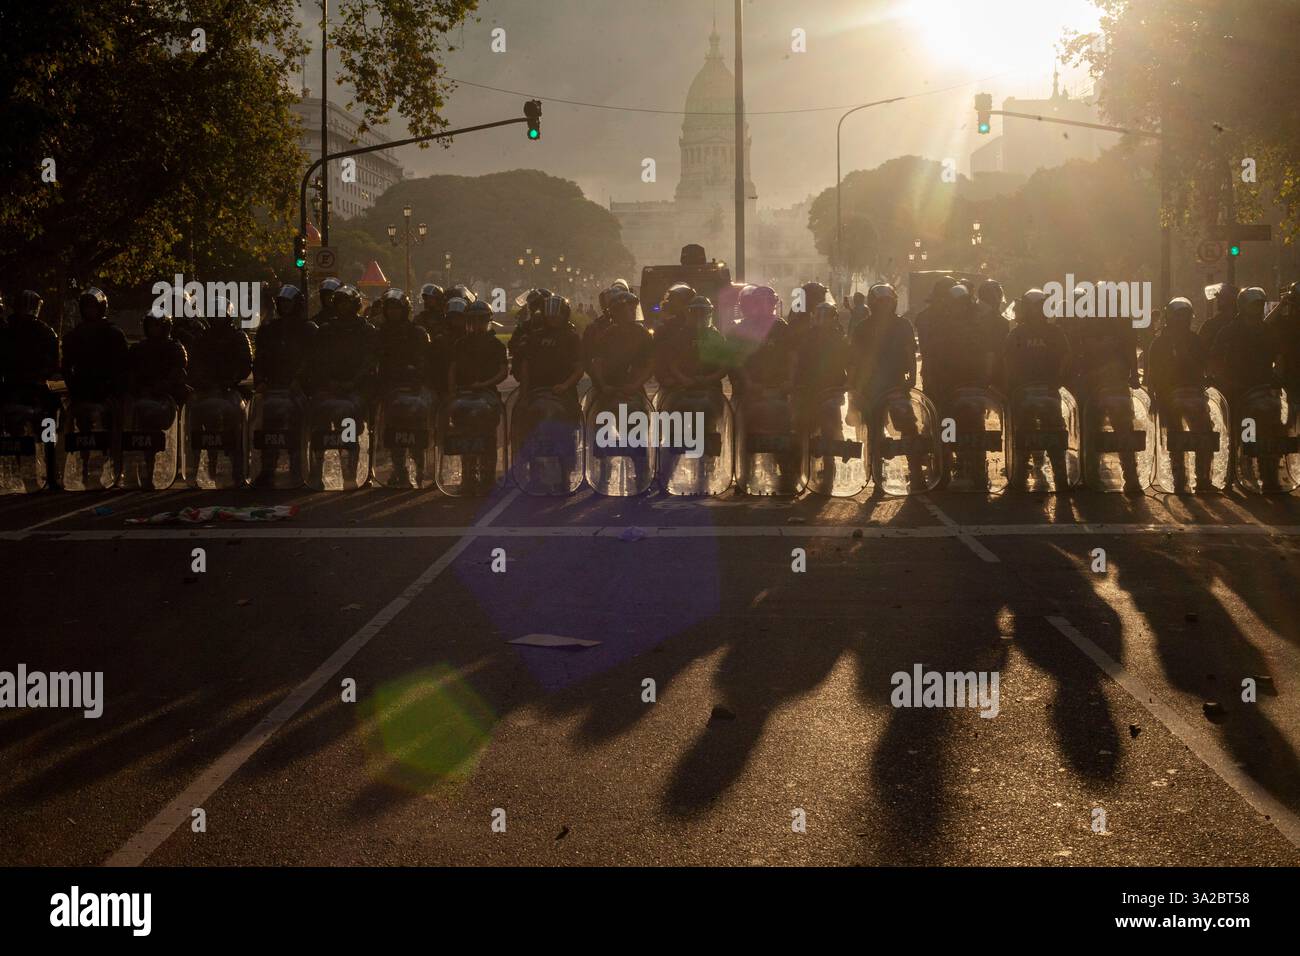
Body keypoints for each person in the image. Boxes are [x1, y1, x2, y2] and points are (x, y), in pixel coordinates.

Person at [849, 283, 927, 491]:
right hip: (871, 387)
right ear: (873, 304)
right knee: (874, 429)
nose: (884, 306)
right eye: (881, 302)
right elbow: (855, 361)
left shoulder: (903, 325)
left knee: (909, 427)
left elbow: (909, 351)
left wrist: (910, 377)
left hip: (895, 384)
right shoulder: (862, 327)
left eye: (887, 302)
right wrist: (854, 389)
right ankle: (876, 471)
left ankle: (916, 471)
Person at [1066, 292, 1142, 492]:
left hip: (1105, 383)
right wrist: (1133, 375)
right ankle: (1124, 479)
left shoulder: (1092, 320)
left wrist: (1133, 375)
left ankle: (1095, 476)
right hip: (1099, 384)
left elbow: (1129, 350)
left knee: (1102, 430)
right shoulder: (1098, 321)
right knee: (1112, 430)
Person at [304, 284, 377, 487]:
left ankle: (350, 475)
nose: (344, 307)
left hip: (356, 389)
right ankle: (316, 473)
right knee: (319, 420)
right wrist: (330, 382)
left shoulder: (366, 331)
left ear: (355, 305)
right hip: (329, 388)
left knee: (349, 425)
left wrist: (352, 383)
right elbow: (317, 362)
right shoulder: (326, 330)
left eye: (348, 303)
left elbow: (370, 362)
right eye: (340, 303)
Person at [1215, 286, 1286, 490]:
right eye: (1255, 305)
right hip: (1237, 390)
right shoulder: (1229, 331)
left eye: (1260, 305)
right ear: (1244, 306)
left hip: (1263, 389)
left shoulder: (1266, 330)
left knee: (1271, 430)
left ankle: (1270, 476)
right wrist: (1224, 382)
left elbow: (1278, 355)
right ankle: (1232, 475)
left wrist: (1277, 377)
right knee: (1241, 434)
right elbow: (1217, 359)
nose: (1258, 308)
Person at [1002, 289, 1072, 492]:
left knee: (1025, 433)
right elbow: (1066, 357)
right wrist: (1057, 380)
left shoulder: (1018, 333)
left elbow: (1007, 361)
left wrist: (1013, 384)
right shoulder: (1054, 331)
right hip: (1048, 391)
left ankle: (1021, 479)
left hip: (1024, 393)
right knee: (1054, 434)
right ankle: (1061, 481)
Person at [514, 294, 583, 489]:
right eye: (549, 315)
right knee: (534, 434)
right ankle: (535, 474)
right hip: (538, 393)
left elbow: (579, 368)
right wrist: (525, 392)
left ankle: (565, 476)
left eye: (557, 315)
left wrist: (566, 386)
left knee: (564, 435)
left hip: (563, 395)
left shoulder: (571, 337)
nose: (553, 318)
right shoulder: (534, 337)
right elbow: (526, 365)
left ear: (564, 315)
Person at [61, 287, 129, 483]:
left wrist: (113, 390)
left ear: (101, 308)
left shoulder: (114, 334)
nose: (90, 311)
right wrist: (73, 388)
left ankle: (110, 465)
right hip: (82, 392)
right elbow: (67, 366)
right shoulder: (74, 336)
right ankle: (81, 466)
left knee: (111, 425)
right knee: (81, 426)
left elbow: (123, 367)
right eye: (87, 307)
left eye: (93, 307)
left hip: (107, 392)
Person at [1146, 297, 1213, 493]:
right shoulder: (1160, 343)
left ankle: (1202, 478)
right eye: (1180, 317)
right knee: (1177, 439)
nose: (1183, 321)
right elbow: (1153, 374)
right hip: (1169, 396)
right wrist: (1155, 398)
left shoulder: (1194, 340)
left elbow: (1204, 367)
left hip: (1192, 393)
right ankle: (1181, 479)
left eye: (1185, 317)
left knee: (1203, 436)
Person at [1, 289, 61, 487]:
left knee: (48, 424)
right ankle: (49, 473)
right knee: (48, 426)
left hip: (28, 391)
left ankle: (48, 472)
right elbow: (53, 365)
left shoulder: (11, 331)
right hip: (20, 391)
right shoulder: (42, 331)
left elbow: (53, 366)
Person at [448, 300, 509, 491]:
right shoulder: (461, 344)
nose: (477, 325)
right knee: (465, 438)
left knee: (487, 438)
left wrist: (484, 384)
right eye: (473, 321)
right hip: (463, 397)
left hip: (488, 396)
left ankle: (487, 477)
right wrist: (451, 395)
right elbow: (453, 369)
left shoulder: (496, 345)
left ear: (488, 321)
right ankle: (468, 477)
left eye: (481, 321)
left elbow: (503, 371)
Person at [126, 306, 189, 488]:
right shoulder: (138, 349)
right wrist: (139, 389)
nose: (154, 329)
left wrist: (163, 388)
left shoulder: (175, 348)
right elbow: (131, 374)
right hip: (144, 397)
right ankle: (147, 470)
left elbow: (178, 372)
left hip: (167, 399)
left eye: (157, 326)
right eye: (151, 326)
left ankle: (185, 453)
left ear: (165, 327)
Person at [796, 300, 850, 491]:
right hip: (810, 390)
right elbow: (800, 363)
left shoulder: (839, 337)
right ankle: (802, 469)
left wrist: (847, 383)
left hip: (832, 389)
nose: (823, 321)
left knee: (833, 427)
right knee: (806, 426)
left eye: (826, 317)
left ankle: (831, 465)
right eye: (820, 316)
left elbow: (848, 362)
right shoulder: (808, 337)